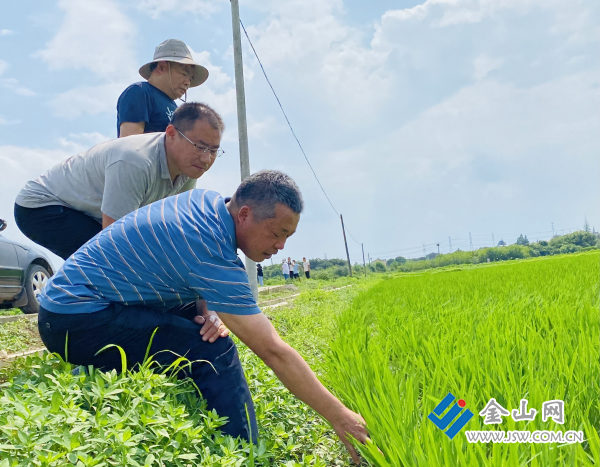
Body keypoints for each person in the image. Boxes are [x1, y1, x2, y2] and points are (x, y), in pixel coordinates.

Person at [36, 170, 368, 463]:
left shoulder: (206, 203)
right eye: (276, 232)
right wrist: (340, 416)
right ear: (245, 214)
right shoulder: (211, 252)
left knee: (200, 326)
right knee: (214, 350)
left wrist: (208, 307)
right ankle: (243, 453)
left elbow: (181, 266)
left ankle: (98, 368)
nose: (280, 246)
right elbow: (272, 350)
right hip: (75, 320)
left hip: (72, 303)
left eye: (287, 237)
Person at [14, 102, 224, 260]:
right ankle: (61, 310)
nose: (206, 159)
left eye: (214, 151)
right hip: (42, 207)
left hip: (88, 213)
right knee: (103, 261)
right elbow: (115, 241)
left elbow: (171, 230)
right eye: (199, 147)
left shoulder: (188, 169)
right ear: (171, 133)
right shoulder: (136, 161)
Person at [117, 39, 209, 138]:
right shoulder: (140, 92)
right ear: (161, 67)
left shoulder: (175, 108)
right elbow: (129, 144)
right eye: (184, 74)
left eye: (191, 79)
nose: (188, 83)